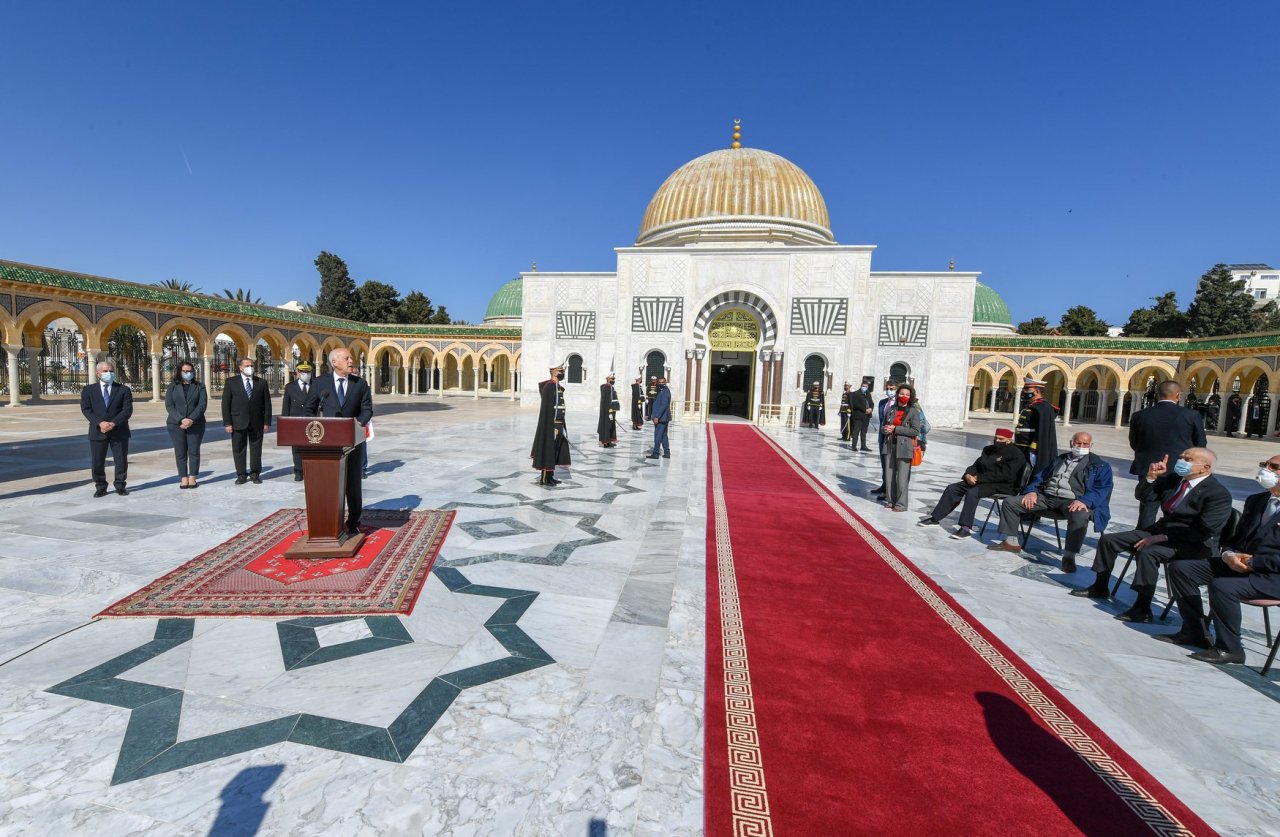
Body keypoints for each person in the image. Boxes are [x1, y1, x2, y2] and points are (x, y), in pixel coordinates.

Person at [1070, 448, 1232, 623]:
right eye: (1182, 457)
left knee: (1148, 552)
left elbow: (1204, 530)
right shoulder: (1175, 480)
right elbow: (1145, 497)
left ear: (1205, 468)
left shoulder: (1217, 494)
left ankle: (1142, 607)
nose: (1182, 461)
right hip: (1163, 531)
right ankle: (1100, 586)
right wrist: (1151, 478)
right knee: (1109, 540)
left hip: (1192, 543)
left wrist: (1164, 538)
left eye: (1188, 459)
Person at [1165, 456, 1280, 664]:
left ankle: (1231, 648)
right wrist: (1228, 555)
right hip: (1240, 564)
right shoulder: (1256, 500)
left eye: (1275, 467)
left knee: (1223, 587)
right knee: (1181, 568)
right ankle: (1195, 631)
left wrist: (1253, 563)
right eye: (1265, 465)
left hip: (1273, 576)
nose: (1266, 470)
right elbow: (1235, 539)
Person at [987, 431, 1113, 573]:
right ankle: (1011, 542)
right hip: (1047, 497)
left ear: (1091, 445)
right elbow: (1040, 477)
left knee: (1080, 515)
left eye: (1085, 444)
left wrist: (1085, 501)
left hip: (1073, 501)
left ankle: (1069, 556)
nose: (1081, 446)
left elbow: (1102, 488)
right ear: (1072, 443)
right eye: (1078, 443)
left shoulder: (1100, 466)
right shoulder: (1059, 459)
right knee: (1011, 502)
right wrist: (1032, 491)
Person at [304, 348, 374, 532]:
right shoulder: (320, 383)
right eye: (347, 358)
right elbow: (309, 409)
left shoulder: (360, 384)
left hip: (353, 442)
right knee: (329, 483)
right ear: (334, 362)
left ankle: (353, 522)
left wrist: (358, 424)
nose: (351, 361)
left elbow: (367, 409)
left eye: (351, 358)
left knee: (353, 482)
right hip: (327, 443)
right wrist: (313, 429)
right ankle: (329, 520)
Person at [918, 428, 1026, 540]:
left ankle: (965, 528)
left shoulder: (1016, 455)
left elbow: (1006, 475)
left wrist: (979, 478)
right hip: (981, 481)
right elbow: (976, 465)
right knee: (953, 488)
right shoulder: (988, 449)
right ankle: (935, 518)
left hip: (1002, 485)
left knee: (972, 492)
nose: (997, 440)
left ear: (1009, 440)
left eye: (1000, 439)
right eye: (995, 438)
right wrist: (968, 474)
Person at [1128, 380, 1206, 529]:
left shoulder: (1139, 416)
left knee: (1147, 510)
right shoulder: (1191, 415)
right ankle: (1166, 544)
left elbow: (1134, 443)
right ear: (1178, 395)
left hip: (1148, 470)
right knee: (1174, 509)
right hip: (1177, 471)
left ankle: (1141, 545)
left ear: (1158, 395)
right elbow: (1200, 445)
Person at [80, 359, 133, 497]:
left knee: (121, 460)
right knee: (97, 461)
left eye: (111, 371)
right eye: (105, 371)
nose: (109, 373)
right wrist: (100, 423)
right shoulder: (88, 390)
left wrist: (113, 423)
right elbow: (86, 409)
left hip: (119, 430)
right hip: (98, 431)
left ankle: (120, 485)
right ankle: (100, 486)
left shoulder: (123, 390)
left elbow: (127, 410)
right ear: (98, 373)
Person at [221, 356, 273, 484]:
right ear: (240, 367)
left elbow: (267, 404)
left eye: (252, 365)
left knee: (256, 449)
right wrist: (227, 423)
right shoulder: (231, 382)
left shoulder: (261, 382)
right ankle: (241, 474)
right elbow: (225, 403)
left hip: (257, 422)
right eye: (247, 366)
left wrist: (267, 422)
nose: (250, 368)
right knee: (239, 449)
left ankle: (255, 473)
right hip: (238, 421)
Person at [164, 360, 208, 489]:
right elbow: (169, 405)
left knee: (194, 451)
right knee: (180, 451)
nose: (188, 373)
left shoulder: (200, 386)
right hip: (175, 424)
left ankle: (193, 477)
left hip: (196, 424)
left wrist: (191, 419)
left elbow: (202, 405)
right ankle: (183, 477)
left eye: (190, 371)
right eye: (185, 371)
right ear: (180, 372)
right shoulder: (172, 386)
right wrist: (181, 419)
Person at [882, 384, 922, 512]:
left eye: (907, 394)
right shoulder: (891, 409)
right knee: (889, 474)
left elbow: (915, 431)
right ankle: (890, 499)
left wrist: (896, 429)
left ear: (910, 397)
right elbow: (884, 424)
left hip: (905, 447)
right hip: (889, 444)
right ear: (898, 394)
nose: (904, 396)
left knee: (902, 477)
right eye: (902, 393)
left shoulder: (914, 411)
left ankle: (901, 504)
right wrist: (886, 429)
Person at [532, 364, 569, 486]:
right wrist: (552, 426)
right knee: (548, 450)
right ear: (553, 372)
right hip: (551, 425)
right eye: (560, 371)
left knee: (554, 451)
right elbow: (548, 410)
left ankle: (550, 476)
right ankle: (544, 478)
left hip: (558, 423)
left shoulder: (557, 387)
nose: (562, 373)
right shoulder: (549, 387)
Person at [1013, 376, 1058, 467]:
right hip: (1021, 447)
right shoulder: (1032, 406)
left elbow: (1042, 432)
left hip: (1031, 448)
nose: (1024, 392)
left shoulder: (1042, 407)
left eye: (1027, 389)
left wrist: (1033, 450)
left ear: (1036, 391)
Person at [280, 361, 314, 481]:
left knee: (311, 448)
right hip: (296, 422)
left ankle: (310, 470)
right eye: (303, 371)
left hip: (312, 422)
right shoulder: (290, 387)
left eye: (308, 371)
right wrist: (285, 424)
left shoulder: (316, 385)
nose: (306, 374)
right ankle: (299, 471)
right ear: (298, 372)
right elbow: (286, 406)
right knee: (297, 448)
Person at [873, 380, 898, 499]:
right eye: (888, 388)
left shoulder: (899, 404)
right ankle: (884, 485)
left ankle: (889, 490)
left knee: (891, 465)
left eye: (892, 388)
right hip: (883, 437)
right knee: (884, 464)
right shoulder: (883, 402)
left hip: (893, 438)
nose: (889, 391)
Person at [647, 376, 672, 459]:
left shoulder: (665, 391)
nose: (661, 384)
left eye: (662, 382)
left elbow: (663, 405)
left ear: (665, 382)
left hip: (662, 418)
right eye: (660, 382)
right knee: (664, 435)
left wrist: (657, 416)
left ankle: (656, 453)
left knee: (658, 435)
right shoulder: (662, 390)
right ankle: (667, 452)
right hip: (664, 417)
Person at [849, 379, 874, 452]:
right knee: (856, 431)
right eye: (863, 386)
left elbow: (871, 403)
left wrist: (871, 409)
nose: (864, 387)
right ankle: (854, 446)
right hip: (859, 416)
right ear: (861, 386)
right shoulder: (856, 394)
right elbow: (856, 404)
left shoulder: (868, 393)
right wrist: (865, 409)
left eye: (866, 386)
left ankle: (863, 446)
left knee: (864, 432)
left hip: (867, 416)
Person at [597, 374, 620, 448]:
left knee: (611, 426)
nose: (613, 381)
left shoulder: (610, 387)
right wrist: (610, 412)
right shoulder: (606, 388)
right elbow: (607, 402)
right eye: (611, 379)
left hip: (612, 410)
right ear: (608, 380)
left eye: (613, 379)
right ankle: (605, 442)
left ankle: (609, 440)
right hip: (608, 411)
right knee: (607, 426)